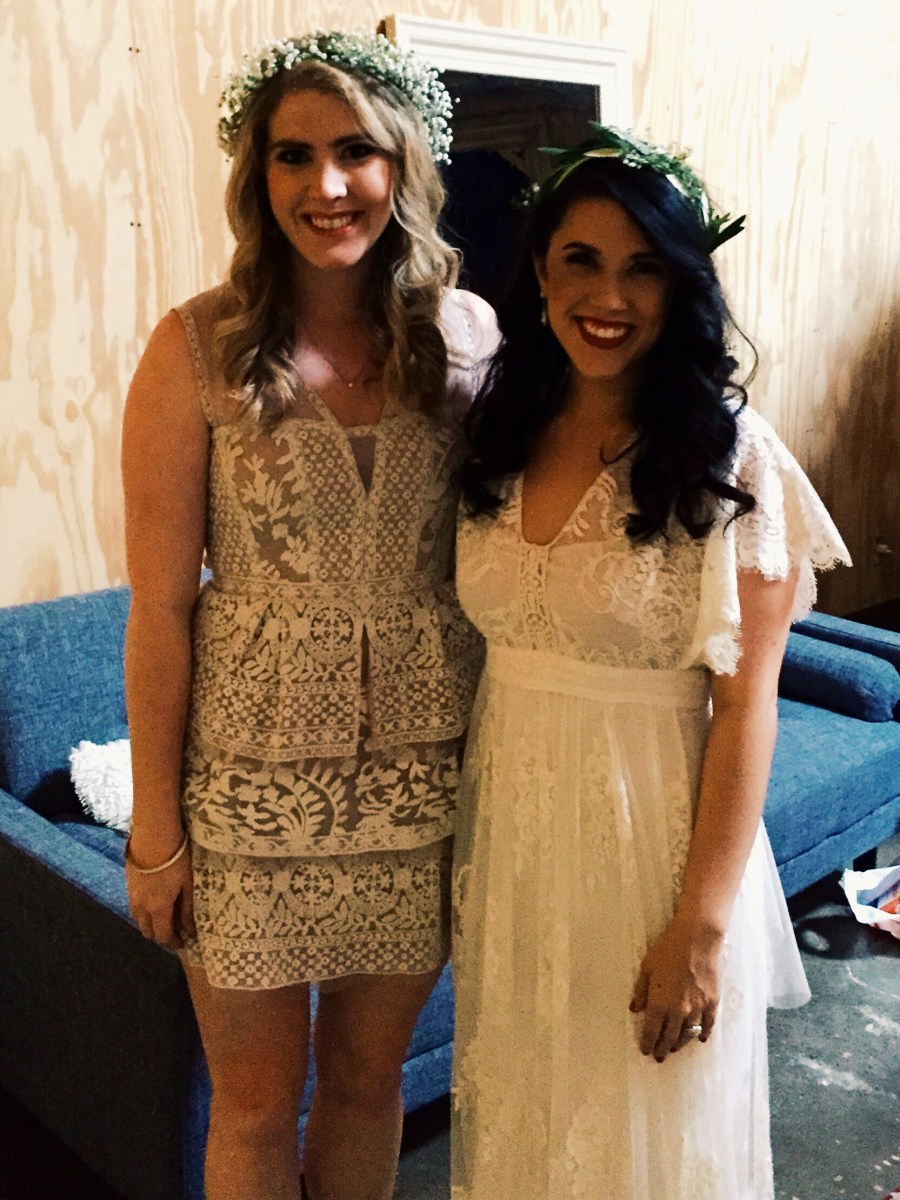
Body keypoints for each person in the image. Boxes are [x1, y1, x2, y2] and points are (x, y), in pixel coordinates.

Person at [120, 30, 495, 1200]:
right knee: (251, 1103)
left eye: (356, 152)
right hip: (246, 794)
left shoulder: (470, 336)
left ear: (403, 162)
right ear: (259, 173)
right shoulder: (195, 347)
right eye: (294, 155)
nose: (327, 185)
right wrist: (155, 831)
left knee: (371, 1087)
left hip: (423, 786)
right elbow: (159, 611)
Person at [451, 125, 851, 1199]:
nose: (609, 296)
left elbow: (750, 703)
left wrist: (700, 927)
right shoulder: (499, 430)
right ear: (540, 273)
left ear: (681, 287)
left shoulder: (730, 456)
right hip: (512, 841)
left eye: (643, 269)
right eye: (581, 260)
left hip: (651, 846)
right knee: (533, 1117)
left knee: (651, 1137)